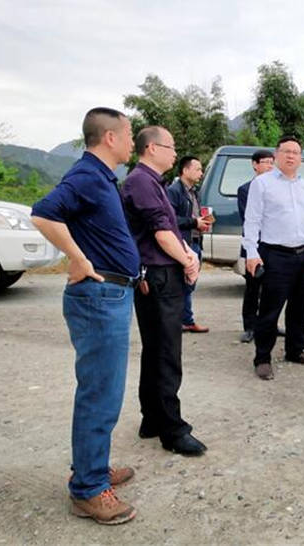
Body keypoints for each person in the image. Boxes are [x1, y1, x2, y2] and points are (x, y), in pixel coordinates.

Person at [31, 107, 139, 525]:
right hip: (99, 298)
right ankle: (88, 490)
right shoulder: (88, 175)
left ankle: (92, 467)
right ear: (110, 137)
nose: (132, 141)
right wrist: (78, 258)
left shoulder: (101, 177)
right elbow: (43, 212)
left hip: (111, 293)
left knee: (103, 391)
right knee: (100, 394)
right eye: (129, 133)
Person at [121, 126, 207, 457]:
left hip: (160, 275)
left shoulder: (152, 182)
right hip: (158, 277)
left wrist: (186, 254)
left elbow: (170, 228)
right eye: (171, 147)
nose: (175, 153)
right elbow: (160, 232)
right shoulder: (142, 182)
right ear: (152, 148)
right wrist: (187, 260)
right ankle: (173, 429)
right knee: (167, 353)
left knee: (156, 350)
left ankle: (152, 418)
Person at [242, 135, 304, 380]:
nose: (291, 156)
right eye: (286, 151)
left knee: (300, 307)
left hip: (303, 254)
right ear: (276, 155)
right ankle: (262, 358)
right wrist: (251, 252)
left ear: (300, 158)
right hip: (275, 255)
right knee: (270, 309)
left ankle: (295, 350)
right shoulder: (262, 184)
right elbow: (252, 220)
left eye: (296, 152)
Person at [167, 155, 213, 333]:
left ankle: (186, 320)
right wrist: (194, 222)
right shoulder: (174, 191)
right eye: (198, 169)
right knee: (182, 283)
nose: (201, 173)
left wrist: (202, 223)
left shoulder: (194, 191)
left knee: (189, 283)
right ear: (185, 170)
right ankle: (182, 321)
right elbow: (170, 219)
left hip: (195, 241)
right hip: (183, 243)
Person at [237, 149, 275, 343]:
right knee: (252, 288)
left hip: (273, 246)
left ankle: (269, 325)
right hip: (254, 246)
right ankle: (250, 326)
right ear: (255, 165)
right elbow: (249, 219)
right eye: (265, 162)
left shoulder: (277, 188)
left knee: (272, 288)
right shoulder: (245, 189)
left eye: (271, 162)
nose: (269, 166)